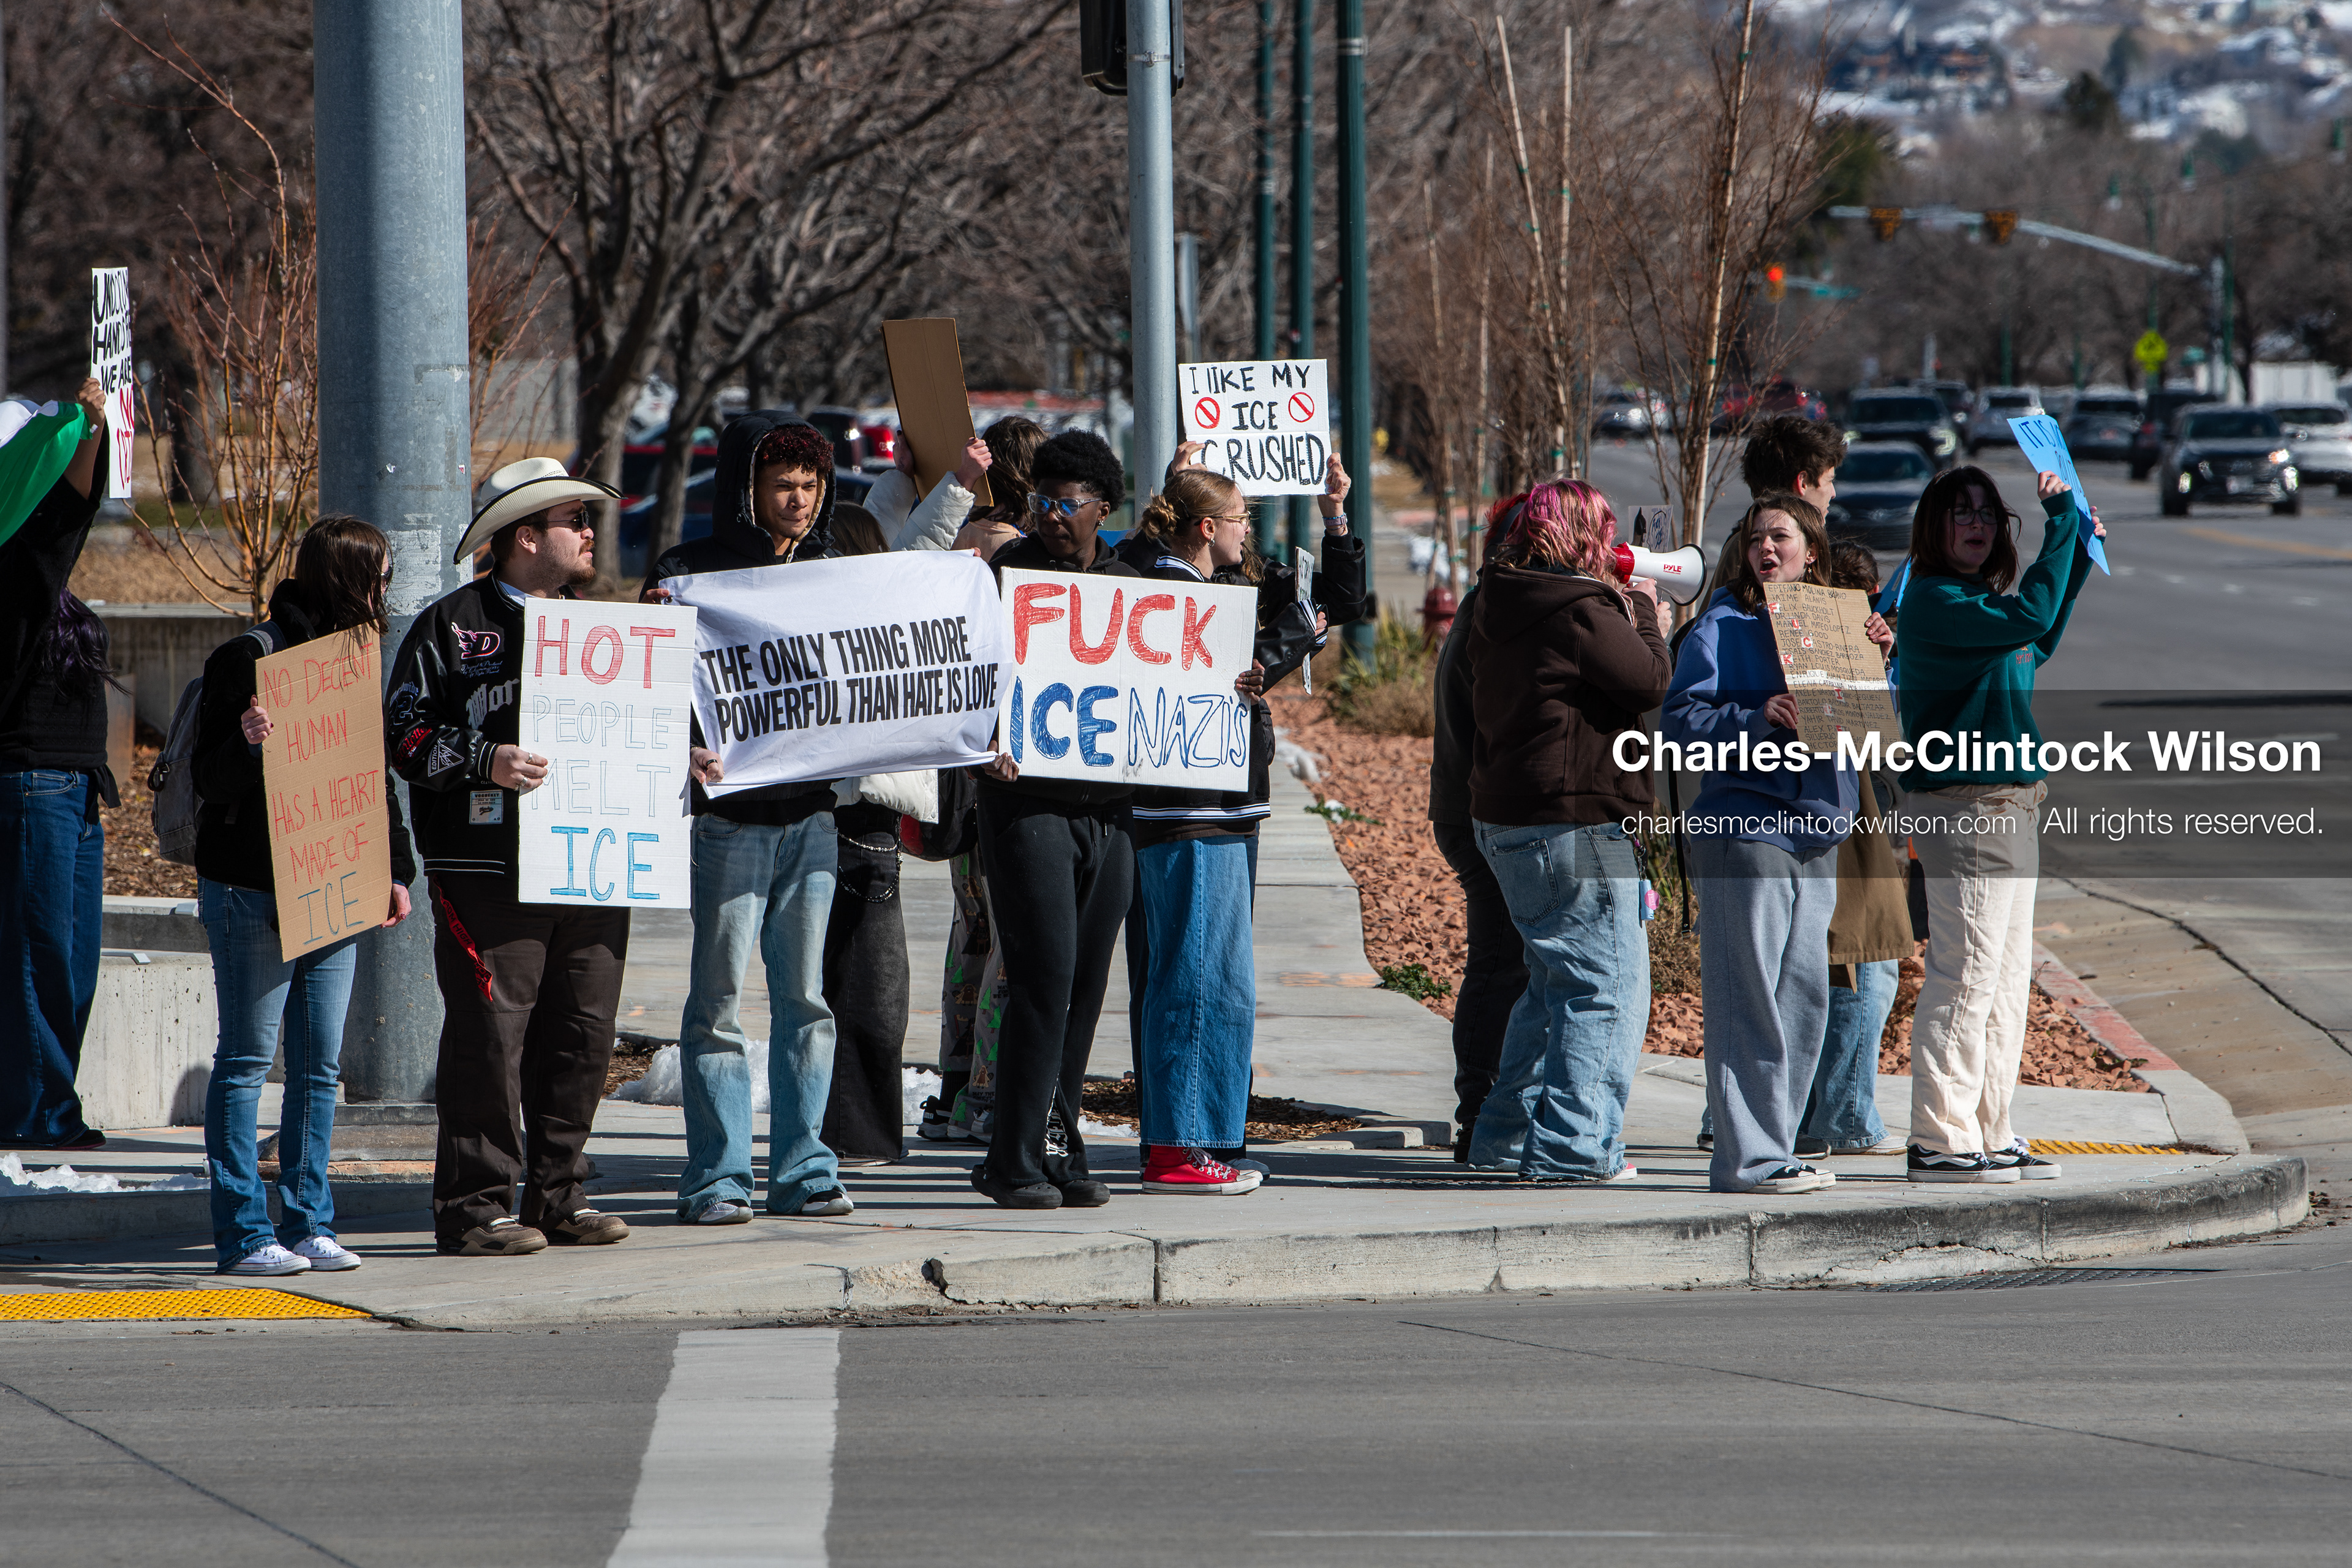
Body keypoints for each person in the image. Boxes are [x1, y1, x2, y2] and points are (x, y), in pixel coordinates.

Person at [389, 458, 635, 1257]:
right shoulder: (452, 625)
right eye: (575, 520)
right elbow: (404, 735)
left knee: (583, 1039)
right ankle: (474, 1209)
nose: (590, 532)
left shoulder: (609, 631)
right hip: (487, 873)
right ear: (526, 537)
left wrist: (685, 760)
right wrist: (482, 758)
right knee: (490, 1041)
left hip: (593, 866)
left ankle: (559, 1197)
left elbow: (642, 728)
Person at [644, 415, 857, 1223]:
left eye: (811, 486)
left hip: (813, 821)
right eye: (783, 486)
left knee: (808, 1004)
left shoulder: (837, 572)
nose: (800, 501)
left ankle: (806, 1170)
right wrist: (685, 746)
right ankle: (718, 1179)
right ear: (748, 491)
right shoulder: (687, 574)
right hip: (730, 825)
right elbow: (651, 687)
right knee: (718, 1009)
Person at [193, 516, 417, 1275]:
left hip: (334, 880)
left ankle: (310, 1222)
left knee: (320, 1067)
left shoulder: (352, 663)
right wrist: (248, 742)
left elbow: (371, 777)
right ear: (347, 579)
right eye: (378, 576)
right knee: (249, 1059)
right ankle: (244, 1234)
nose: (386, 591)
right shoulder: (250, 658)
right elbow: (207, 780)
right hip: (253, 888)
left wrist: (396, 869)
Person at [1894, 464, 2101, 1183]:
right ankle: (1938, 1136)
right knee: (1966, 973)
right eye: (1962, 512)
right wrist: (2064, 524)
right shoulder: (1932, 599)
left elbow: (2031, 645)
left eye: (1988, 511)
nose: (1978, 523)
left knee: (2008, 977)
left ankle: (1990, 1126)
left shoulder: (1977, 604)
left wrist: (2070, 565)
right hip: (1967, 807)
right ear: (1935, 526)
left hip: (2011, 803)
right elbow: (2029, 621)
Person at [1463, 479, 1670, 1183]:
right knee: (1606, 989)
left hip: (1508, 819)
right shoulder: (1579, 607)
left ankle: (1504, 1134)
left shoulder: (1498, 597)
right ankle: (1576, 1149)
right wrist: (1644, 612)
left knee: (1553, 984)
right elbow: (1647, 681)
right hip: (1574, 821)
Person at [1663, 494, 1861, 1196]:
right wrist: (1754, 715)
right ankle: (1746, 1158)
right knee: (1747, 1000)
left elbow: (1872, 717)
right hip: (1746, 829)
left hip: (1818, 830)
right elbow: (1680, 720)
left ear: (1812, 551)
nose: (1766, 550)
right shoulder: (1722, 623)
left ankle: (1777, 1147)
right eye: (1755, 540)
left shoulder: (1842, 621)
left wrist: (1881, 660)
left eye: (1780, 537)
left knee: (1803, 1002)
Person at [967, 430, 1140, 1209]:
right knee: (1042, 981)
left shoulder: (1133, 580)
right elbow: (968, 679)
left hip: (1109, 818)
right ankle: (1010, 1159)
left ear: (1103, 508)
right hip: (1026, 808)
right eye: (1040, 501)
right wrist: (985, 742)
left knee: (1087, 988)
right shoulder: (1009, 575)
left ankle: (1060, 1147)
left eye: (1065, 504)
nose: (1049, 516)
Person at [0, 378, 115, 1152]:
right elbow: (66, 510)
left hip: (73, 791)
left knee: (71, 961)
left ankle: (47, 1101)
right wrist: (90, 427)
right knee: (42, 957)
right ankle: (40, 1112)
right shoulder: (15, 564)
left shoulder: (39, 575)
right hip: (31, 781)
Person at [1428, 495, 1530, 1163]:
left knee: (1508, 962)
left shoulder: (1487, 606)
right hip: (1483, 811)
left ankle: (1489, 1107)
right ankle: (1481, 1112)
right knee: (1500, 961)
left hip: (1476, 807)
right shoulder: (1497, 614)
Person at [1800, 543, 1910, 1159]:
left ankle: (1819, 1111)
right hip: (1851, 816)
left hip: (1835, 815)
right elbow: (1873, 737)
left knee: (1829, 966)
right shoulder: (1826, 643)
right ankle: (1843, 1115)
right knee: (1864, 964)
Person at [813, 498, 911, 1165]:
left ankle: (850, 1133)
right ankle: (854, 1136)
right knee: (868, 992)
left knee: (853, 992)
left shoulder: (866, 615)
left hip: (852, 818)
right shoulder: (877, 614)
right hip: (858, 822)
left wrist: (942, 480)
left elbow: (923, 534)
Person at [1740, 412, 1844, 515]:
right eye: (1830, 481)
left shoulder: (1751, 530)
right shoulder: (1793, 532)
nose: (1833, 494)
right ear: (1802, 483)